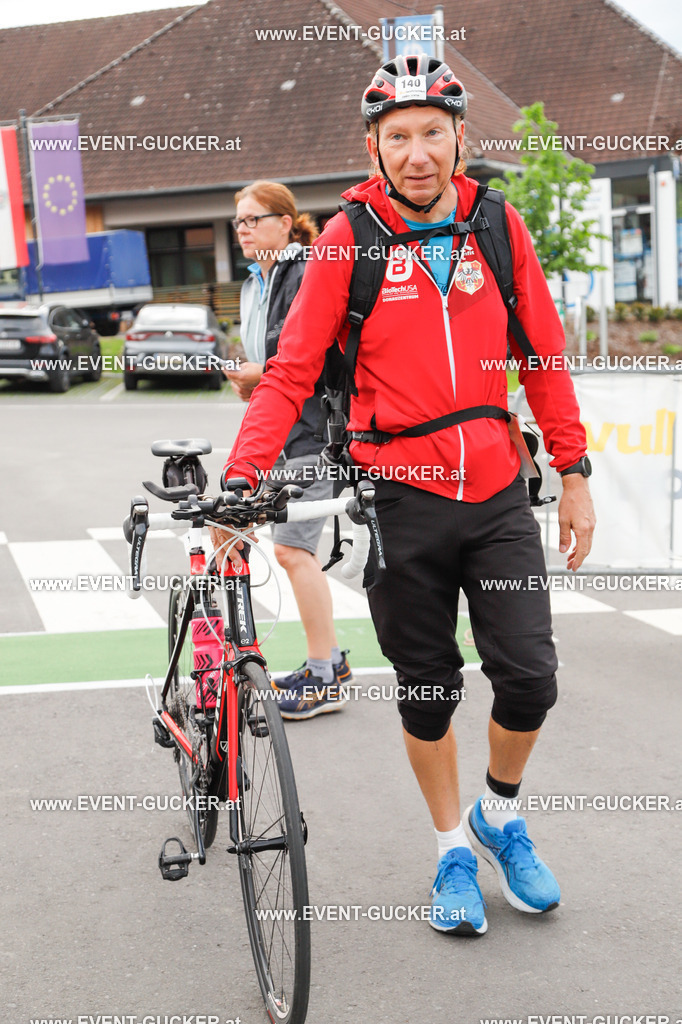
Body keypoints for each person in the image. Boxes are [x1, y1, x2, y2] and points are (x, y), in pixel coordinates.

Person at [210, 56, 595, 936]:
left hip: (498, 487)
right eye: (398, 137)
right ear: (374, 148)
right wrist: (243, 479)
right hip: (397, 498)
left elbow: (541, 355)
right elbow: (289, 374)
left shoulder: (498, 223)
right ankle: (451, 847)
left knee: (530, 677)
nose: (416, 153)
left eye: (431, 133)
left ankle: (501, 811)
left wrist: (573, 474)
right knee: (427, 689)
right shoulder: (346, 240)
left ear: (461, 137)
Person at [225, 180, 352, 718]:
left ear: (285, 222)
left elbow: (313, 352)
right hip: (283, 429)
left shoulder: (303, 270)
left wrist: (259, 374)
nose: (244, 229)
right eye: (238, 222)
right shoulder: (259, 280)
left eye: (254, 219)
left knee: (293, 550)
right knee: (278, 543)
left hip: (311, 432)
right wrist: (253, 377)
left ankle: (324, 675)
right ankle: (332, 661)